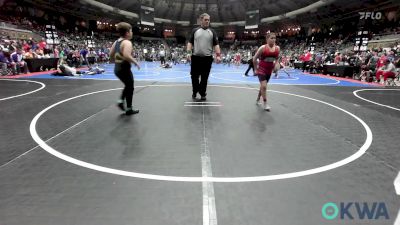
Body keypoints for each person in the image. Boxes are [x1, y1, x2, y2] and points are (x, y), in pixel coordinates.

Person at [187, 13, 221, 101]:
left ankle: (202, 94)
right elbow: (190, 43)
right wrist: (188, 53)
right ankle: (195, 91)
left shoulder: (212, 32)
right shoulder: (195, 30)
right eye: (205, 20)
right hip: (195, 58)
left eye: (208, 20)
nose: (207, 21)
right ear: (201, 20)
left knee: (204, 78)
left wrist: (218, 56)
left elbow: (216, 45)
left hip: (207, 59)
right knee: (194, 77)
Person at [110, 22, 141, 115]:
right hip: (124, 69)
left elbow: (110, 55)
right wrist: (135, 62)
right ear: (127, 33)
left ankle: (122, 102)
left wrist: (117, 61)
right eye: (131, 31)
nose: (132, 33)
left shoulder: (116, 42)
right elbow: (127, 55)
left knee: (128, 86)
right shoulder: (127, 42)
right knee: (130, 87)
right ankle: (128, 108)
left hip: (117, 69)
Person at [253, 33, 280, 111]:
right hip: (261, 69)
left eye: (274, 38)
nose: (273, 39)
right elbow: (254, 59)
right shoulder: (262, 48)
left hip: (269, 70)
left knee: (262, 87)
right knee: (264, 86)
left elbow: (277, 58)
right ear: (267, 39)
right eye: (271, 38)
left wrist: (276, 64)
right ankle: (265, 103)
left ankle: (258, 99)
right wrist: (255, 69)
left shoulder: (277, 48)